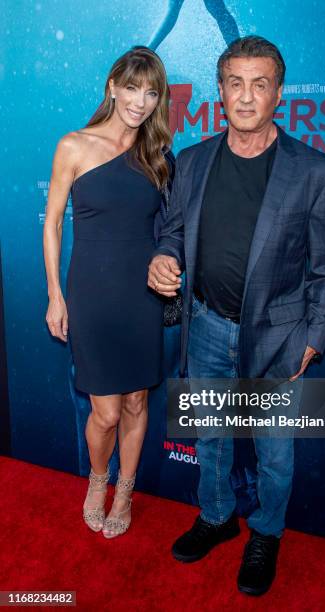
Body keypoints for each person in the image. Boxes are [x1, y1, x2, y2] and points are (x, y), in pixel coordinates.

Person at [148, 35, 325, 595]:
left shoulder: (314, 172)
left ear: (278, 94)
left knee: (273, 452)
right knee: (209, 437)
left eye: (260, 84)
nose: (246, 96)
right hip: (205, 326)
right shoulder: (191, 161)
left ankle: (266, 532)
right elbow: (174, 231)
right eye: (235, 83)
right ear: (221, 90)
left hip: (279, 337)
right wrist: (164, 256)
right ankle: (216, 517)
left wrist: (315, 334)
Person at [43, 46, 174, 539]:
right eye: (132, 88)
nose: (140, 101)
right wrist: (56, 294)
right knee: (106, 411)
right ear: (112, 87)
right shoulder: (73, 145)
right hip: (92, 294)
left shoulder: (158, 155)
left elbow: (172, 229)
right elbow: (53, 223)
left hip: (141, 296)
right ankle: (98, 479)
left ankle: (125, 490)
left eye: (151, 92)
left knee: (137, 402)